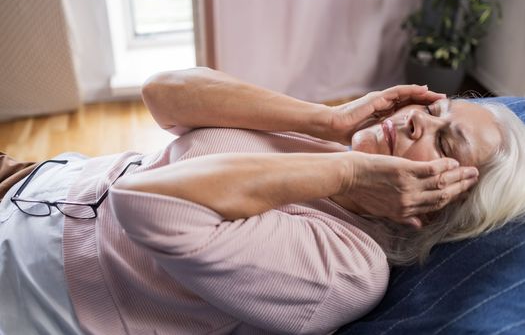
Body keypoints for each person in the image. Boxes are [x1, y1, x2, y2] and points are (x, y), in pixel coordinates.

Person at [0, 67, 524, 335]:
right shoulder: (337, 141)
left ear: (436, 204)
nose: (418, 118)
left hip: (26, 273)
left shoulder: (345, 270)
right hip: (43, 181)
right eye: (436, 110)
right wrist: (329, 119)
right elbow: (164, 93)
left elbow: (141, 201)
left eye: (443, 139)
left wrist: (345, 171)